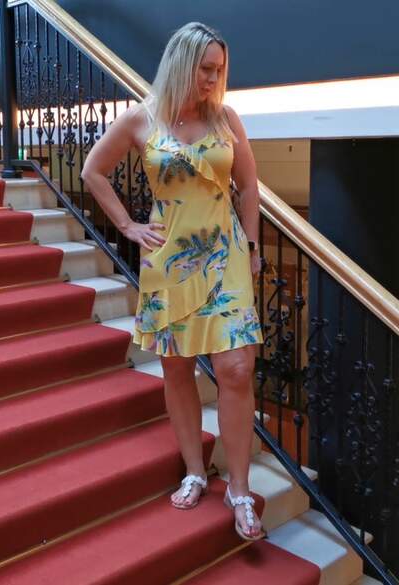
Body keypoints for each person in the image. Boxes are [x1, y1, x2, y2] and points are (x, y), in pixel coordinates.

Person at [81, 22, 265, 541]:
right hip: (169, 259)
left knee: (236, 368)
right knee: (177, 367)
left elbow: (249, 186)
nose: (213, 79)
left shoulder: (226, 118)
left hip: (225, 255)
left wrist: (252, 247)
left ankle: (239, 489)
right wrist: (128, 226)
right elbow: (93, 171)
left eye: (219, 70)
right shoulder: (142, 119)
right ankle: (194, 470)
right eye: (205, 68)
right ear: (181, 63)